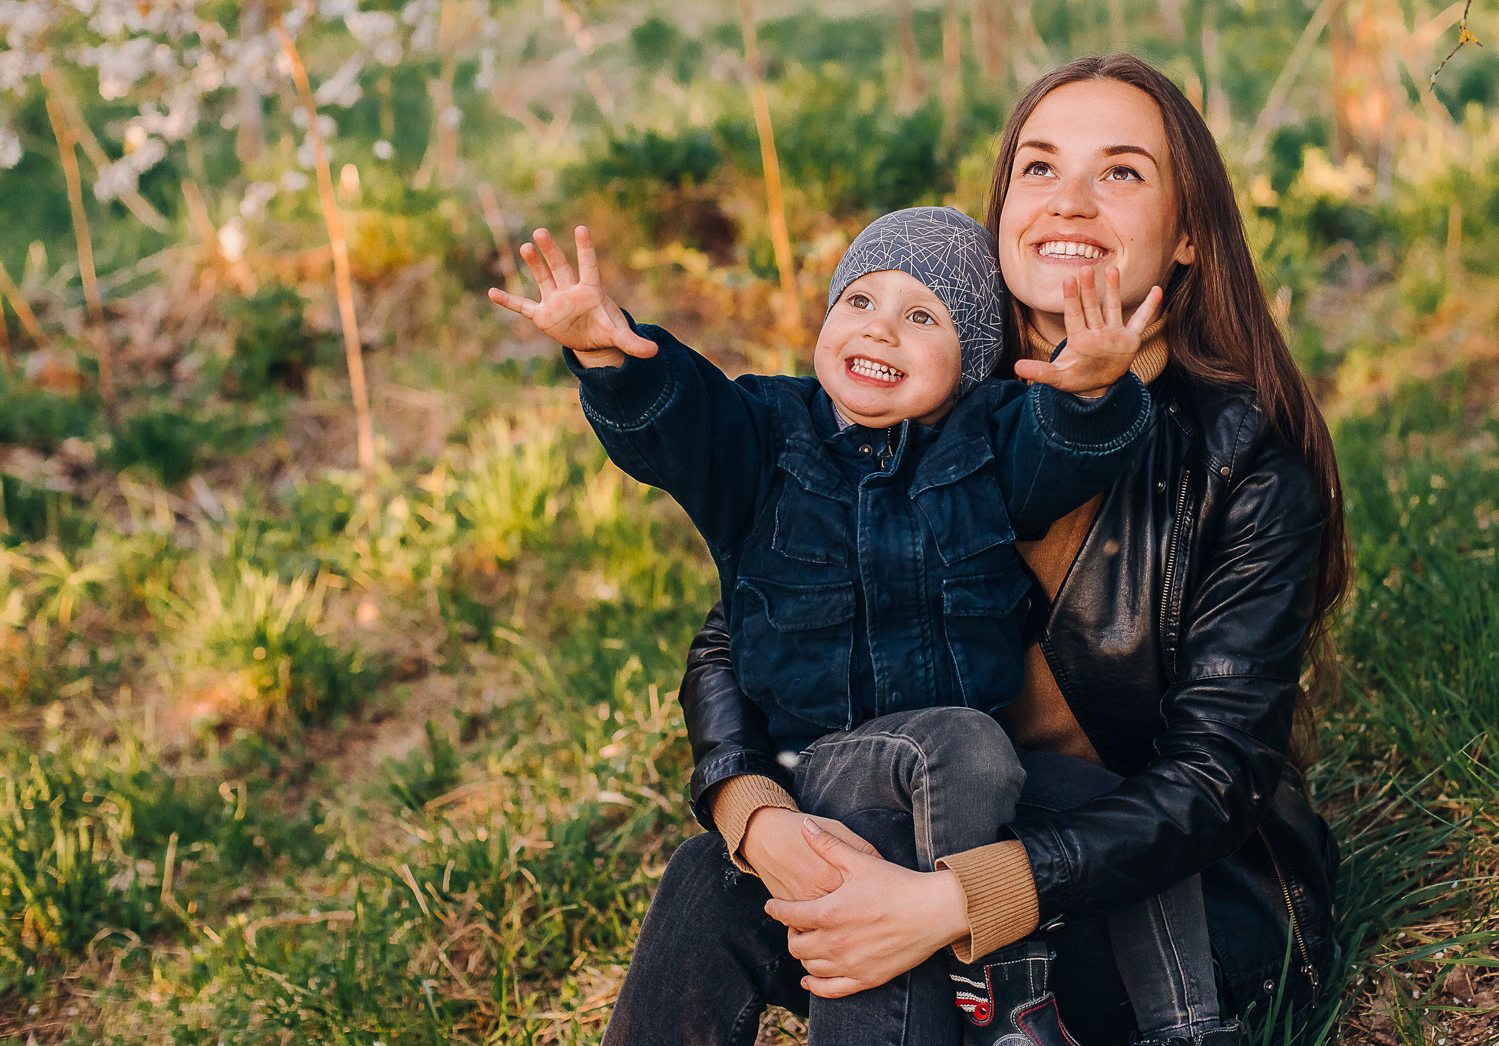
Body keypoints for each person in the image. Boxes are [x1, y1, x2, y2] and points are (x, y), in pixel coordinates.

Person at [600, 54, 1348, 1046]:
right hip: (911, 822)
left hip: (1151, 896)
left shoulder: (1240, 461)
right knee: (711, 874)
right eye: (1037, 169)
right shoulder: (916, 395)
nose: (1068, 201)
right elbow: (744, 628)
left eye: (1120, 172)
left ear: (1187, 237)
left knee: (924, 934)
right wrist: (756, 812)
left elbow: (1211, 779)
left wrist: (948, 899)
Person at [489, 206, 1230, 1043]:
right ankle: (996, 989)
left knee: (1107, 804)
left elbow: (1058, 448)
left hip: (967, 792)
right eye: (861, 302)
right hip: (822, 771)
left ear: (972, 365)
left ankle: (1191, 1025)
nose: (882, 331)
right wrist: (605, 357)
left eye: (923, 317)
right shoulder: (766, 437)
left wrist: (1093, 386)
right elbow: (682, 422)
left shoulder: (986, 443)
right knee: (946, 745)